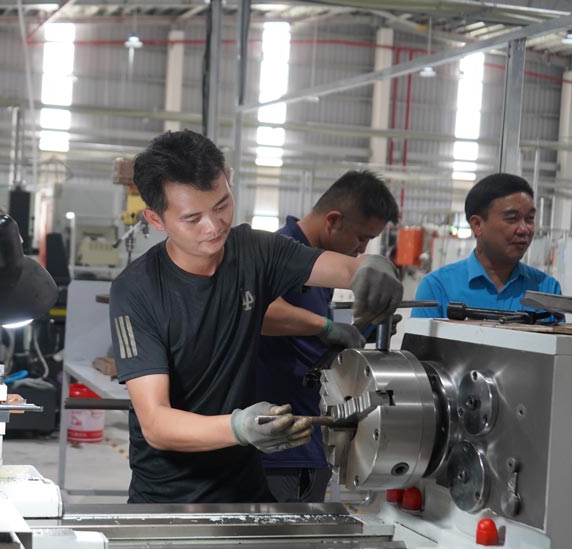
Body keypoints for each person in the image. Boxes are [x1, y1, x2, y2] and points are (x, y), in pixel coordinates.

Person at [109, 130, 403, 504]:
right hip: (166, 497)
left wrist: (370, 268)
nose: (214, 226)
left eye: (221, 205)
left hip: (246, 490)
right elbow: (156, 423)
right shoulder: (136, 291)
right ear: (156, 219)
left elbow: (342, 268)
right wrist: (239, 426)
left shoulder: (254, 253)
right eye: (192, 218)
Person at [257, 171, 399, 502]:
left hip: (307, 439)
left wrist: (360, 329)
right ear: (333, 221)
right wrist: (325, 327)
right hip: (275, 447)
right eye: (361, 238)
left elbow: (311, 341)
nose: (361, 249)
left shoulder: (322, 270)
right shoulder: (278, 252)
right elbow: (257, 311)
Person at [412, 173, 561, 319]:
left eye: (529, 219)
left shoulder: (547, 290)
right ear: (477, 225)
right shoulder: (437, 288)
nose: (524, 229)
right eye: (512, 219)